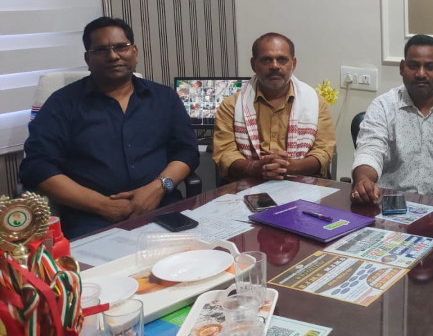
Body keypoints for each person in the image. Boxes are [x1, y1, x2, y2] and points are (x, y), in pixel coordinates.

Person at [19, 17, 199, 238]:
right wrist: (103, 205)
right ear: (88, 58)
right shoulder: (62, 104)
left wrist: (158, 187)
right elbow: (37, 168)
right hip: (91, 218)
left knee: (197, 254)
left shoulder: (164, 97)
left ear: (134, 51)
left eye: (121, 47)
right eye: (101, 50)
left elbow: (187, 151)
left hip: (161, 206)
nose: (113, 56)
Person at [351, 34, 433, 203]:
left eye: (429, 67)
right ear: (402, 68)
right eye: (413, 66)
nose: (421, 74)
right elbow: (370, 150)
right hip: (391, 203)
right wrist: (364, 180)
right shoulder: (383, 106)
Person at [214, 32, 335, 181]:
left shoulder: (315, 103)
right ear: (253, 64)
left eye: (282, 59)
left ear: (293, 64)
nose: (275, 66)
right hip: (248, 184)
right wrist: (254, 168)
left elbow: (323, 152)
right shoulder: (231, 106)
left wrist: (290, 167)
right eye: (266, 60)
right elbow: (225, 154)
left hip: (302, 184)